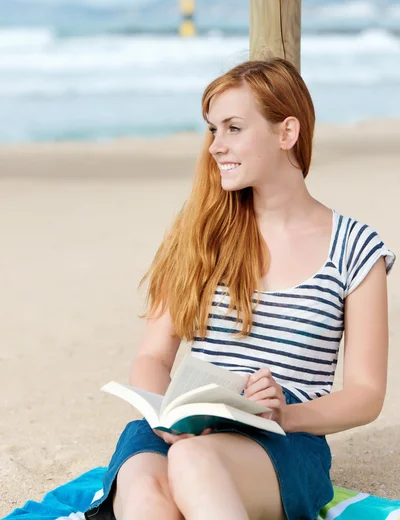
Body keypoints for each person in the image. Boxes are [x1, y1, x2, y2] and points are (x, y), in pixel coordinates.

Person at [84, 58, 396, 520]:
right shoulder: (201, 234)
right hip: (182, 423)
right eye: (212, 129)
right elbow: (152, 357)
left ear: (286, 132)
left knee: (194, 465)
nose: (215, 146)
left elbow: (366, 394)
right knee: (151, 494)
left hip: (283, 436)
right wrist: (170, 422)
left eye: (233, 128)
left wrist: (284, 415)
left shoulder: (355, 248)